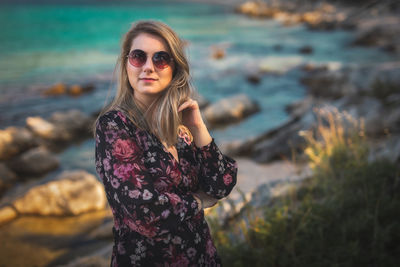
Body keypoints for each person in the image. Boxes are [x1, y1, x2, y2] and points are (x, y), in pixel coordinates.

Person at [94, 20, 238, 266]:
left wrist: (198, 127)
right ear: (127, 64)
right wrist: (198, 201)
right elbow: (145, 213)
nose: (148, 67)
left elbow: (221, 184)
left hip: (203, 257)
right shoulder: (114, 126)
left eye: (160, 59)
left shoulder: (181, 130)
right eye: (138, 57)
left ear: (174, 70)